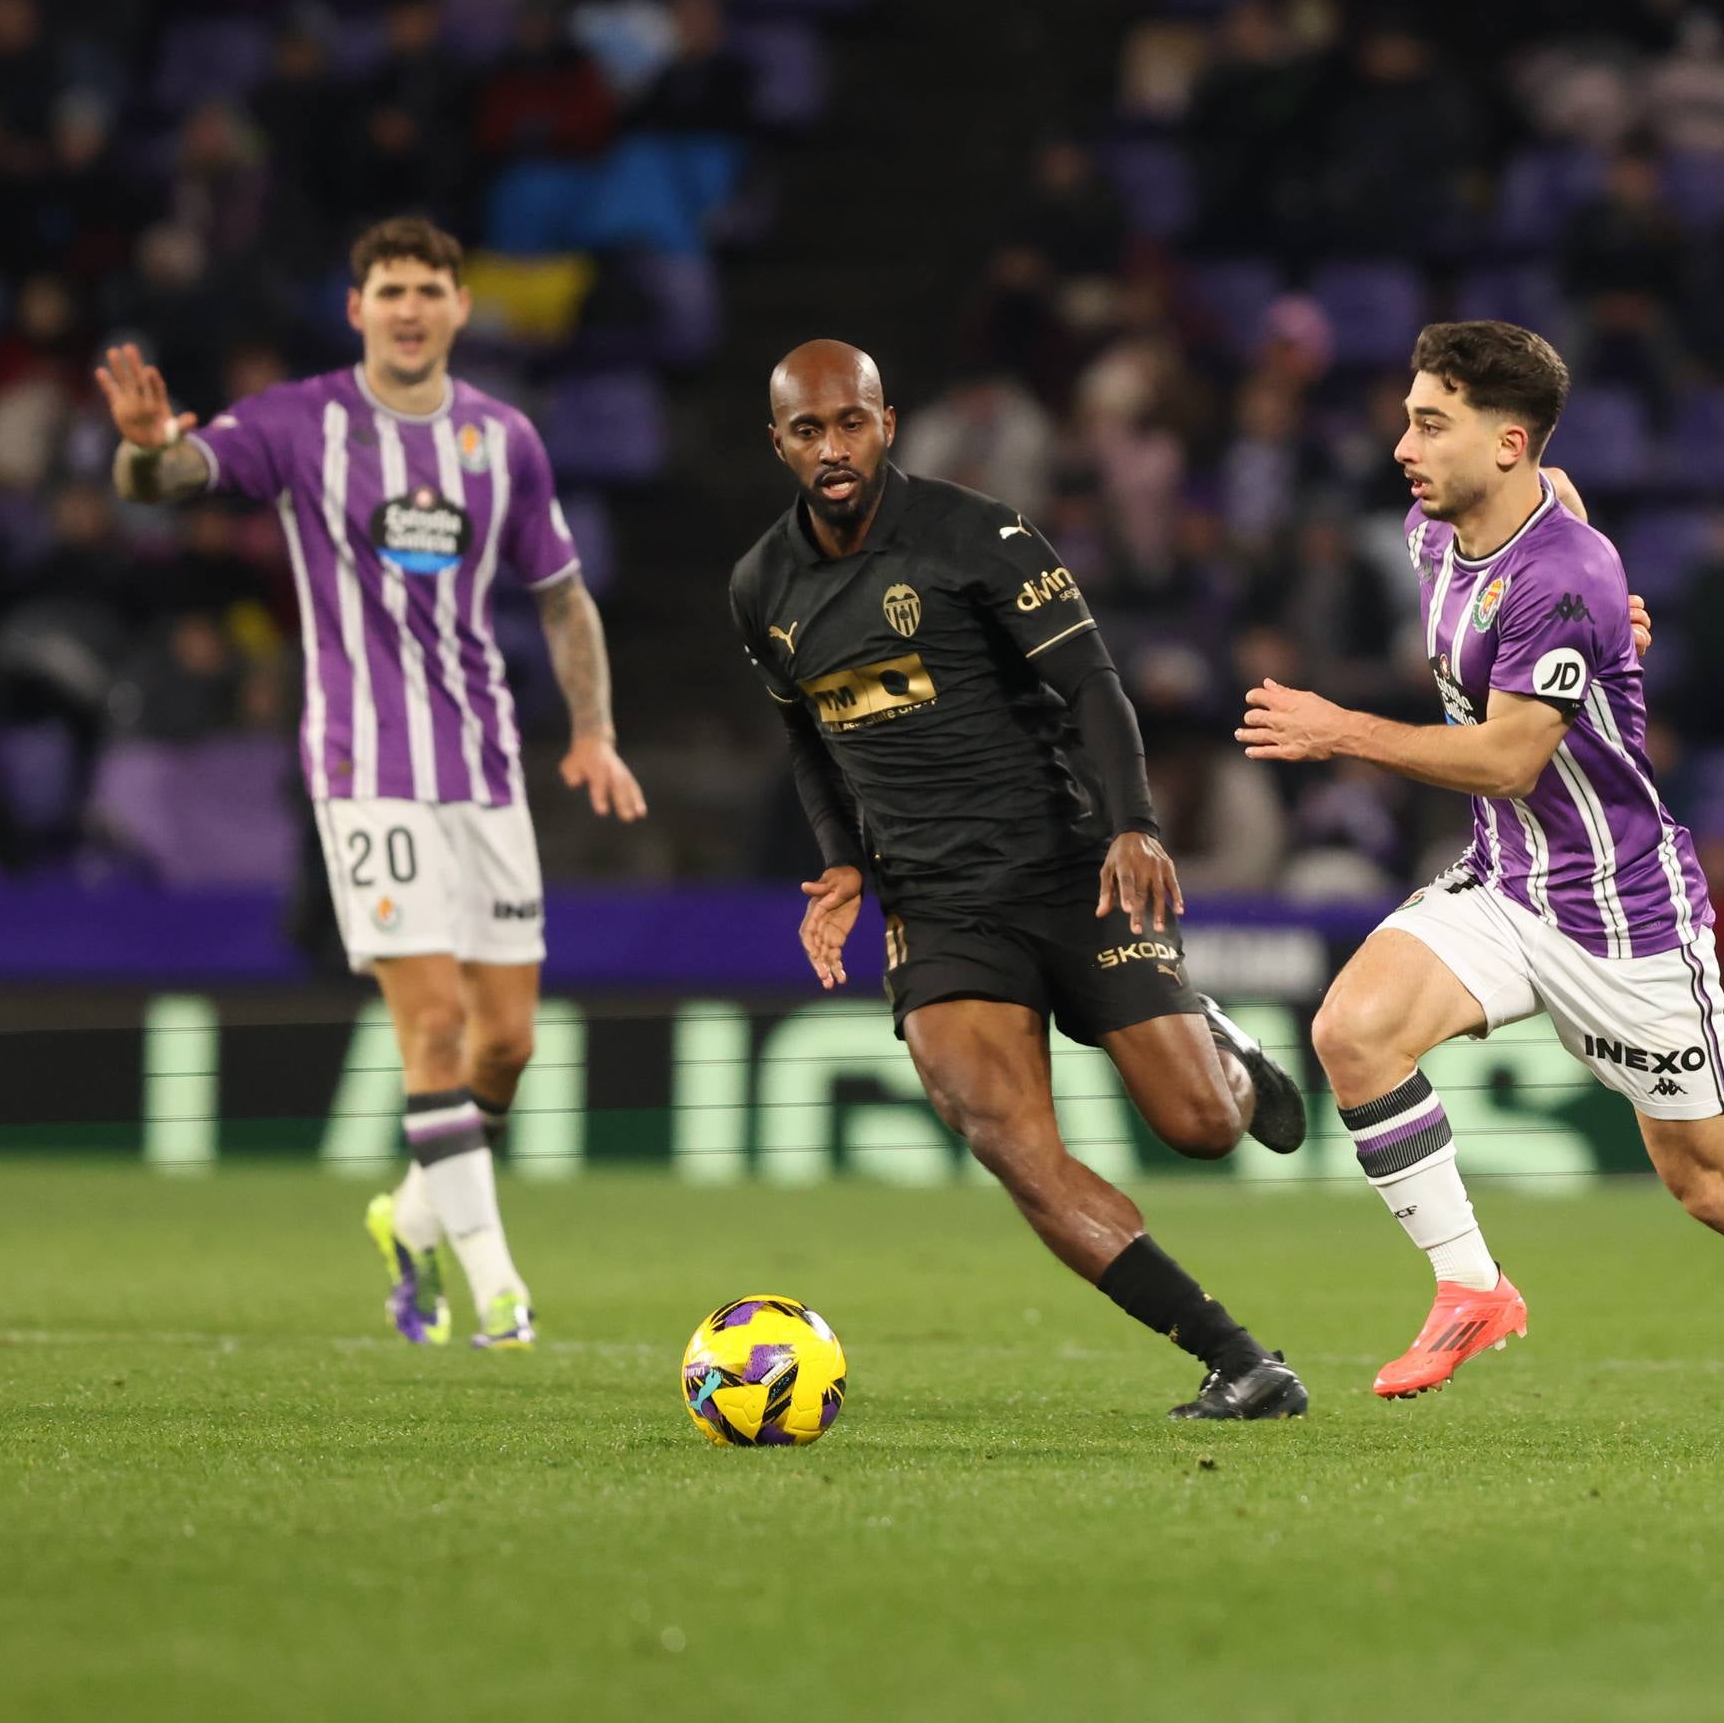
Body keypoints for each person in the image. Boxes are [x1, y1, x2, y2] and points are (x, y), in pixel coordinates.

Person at [1237, 320, 1724, 1458]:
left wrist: (1339, 729)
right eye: (1409, 417)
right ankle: (1472, 1286)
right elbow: (1564, 501)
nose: (1403, 446)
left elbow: (1513, 757)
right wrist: (1615, 630)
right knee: (1354, 1031)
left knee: (1716, 1187)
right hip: (1507, 882)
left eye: (1431, 423)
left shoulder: (1563, 573)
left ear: (1502, 441)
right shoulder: (1457, 523)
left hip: (1624, 920)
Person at [726, 339, 1332, 1420]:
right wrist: (843, 865)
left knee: (1198, 1127)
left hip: (1066, 868)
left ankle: (1222, 1046)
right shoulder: (760, 588)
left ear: (887, 422)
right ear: (777, 442)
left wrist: (1135, 826)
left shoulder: (979, 536)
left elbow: (1095, 685)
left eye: (850, 422)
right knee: (1011, 1143)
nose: (832, 448)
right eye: (808, 430)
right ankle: (1241, 1362)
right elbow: (810, 742)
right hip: (938, 907)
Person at [94, 215, 647, 1353]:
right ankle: (497, 1288)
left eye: (428, 289)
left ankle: (409, 1214)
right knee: (434, 1027)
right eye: (387, 288)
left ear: (457, 307)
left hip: (485, 770)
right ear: (357, 309)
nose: (407, 307)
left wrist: (591, 730)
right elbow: (173, 476)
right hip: (365, 774)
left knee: (508, 1045)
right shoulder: (303, 422)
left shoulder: (505, 441)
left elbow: (560, 595)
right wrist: (147, 448)